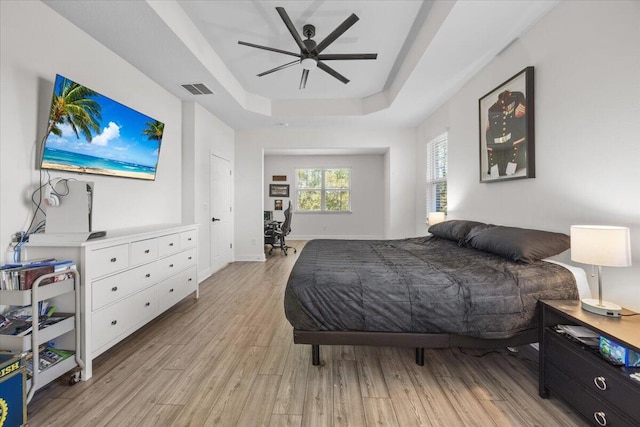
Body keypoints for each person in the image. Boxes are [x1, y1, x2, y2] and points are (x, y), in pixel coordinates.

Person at [485, 90, 527, 177]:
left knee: (512, 173)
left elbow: (521, 121)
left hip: (515, 147)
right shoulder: (492, 109)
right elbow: (489, 131)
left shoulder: (517, 97)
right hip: (498, 149)